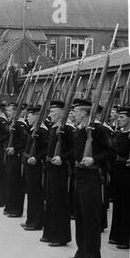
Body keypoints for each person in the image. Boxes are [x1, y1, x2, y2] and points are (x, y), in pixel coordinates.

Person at [68, 99, 115, 258]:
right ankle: (81, 251)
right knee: (80, 216)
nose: (73, 114)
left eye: (76, 111)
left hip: (92, 177)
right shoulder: (80, 130)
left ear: (84, 112)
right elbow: (75, 151)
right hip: (78, 175)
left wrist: (93, 159)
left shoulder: (98, 130)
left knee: (91, 218)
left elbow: (110, 152)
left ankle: (93, 257)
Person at [42, 101, 74, 246]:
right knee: (50, 200)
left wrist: (63, 158)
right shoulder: (55, 127)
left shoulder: (67, 128)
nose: (49, 116)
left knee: (59, 202)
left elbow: (74, 150)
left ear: (61, 113)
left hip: (60, 168)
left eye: (52, 113)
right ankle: (49, 232)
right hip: (50, 166)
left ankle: (60, 236)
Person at [22, 105, 49, 231]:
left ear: (37, 116)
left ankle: (37, 222)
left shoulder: (42, 130)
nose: (27, 117)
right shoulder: (33, 128)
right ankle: (30, 219)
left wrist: (37, 158)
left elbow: (46, 149)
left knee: (35, 194)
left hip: (36, 165)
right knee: (31, 193)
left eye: (30, 115)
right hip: (29, 164)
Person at [109, 106, 130, 250]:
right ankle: (116, 235)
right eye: (119, 117)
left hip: (127, 171)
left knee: (126, 204)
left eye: (122, 117)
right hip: (117, 170)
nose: (119, 119)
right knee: (118, 203)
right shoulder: (120, 133)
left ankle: (125, 238)